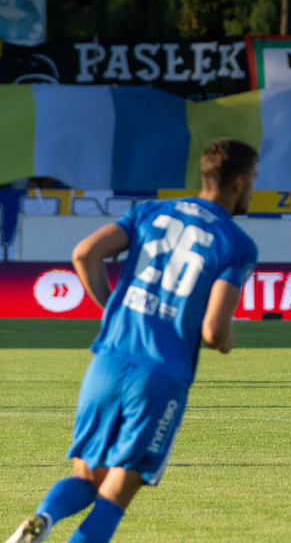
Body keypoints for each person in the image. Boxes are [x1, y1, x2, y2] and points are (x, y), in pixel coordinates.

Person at [6, 139, 259, 543]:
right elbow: (214, 331)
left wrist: (112, 308)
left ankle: (42, 518)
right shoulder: (237, 243)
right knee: (116, 493)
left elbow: (85, 252)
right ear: (239, 182)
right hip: (159, 376)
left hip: (107, 361)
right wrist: (226, 341)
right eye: (253, 181)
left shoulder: (150, 211)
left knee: (87, 476)